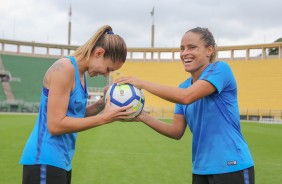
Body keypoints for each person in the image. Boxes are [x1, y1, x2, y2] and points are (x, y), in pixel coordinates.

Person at [115, 27, 255, 184]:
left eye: (192, 47)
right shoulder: (182, 87)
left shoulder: (220, 69)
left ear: (209, 50)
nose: (184, 53)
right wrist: (141, 115)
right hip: (201, 169)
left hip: (232, 166)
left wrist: (142, 83)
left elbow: (187, 97)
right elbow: (176, 131)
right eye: (182, 48)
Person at [20, 25, 134, 184]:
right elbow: (55, 125)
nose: (107, 74)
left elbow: (75, 114)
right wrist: (104, 119)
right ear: (99, 53)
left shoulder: (80, 74)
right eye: (108, 68)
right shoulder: (65, 68)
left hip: (61, 161)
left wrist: (103, 103)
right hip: (44, 160)